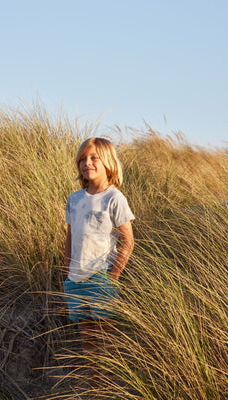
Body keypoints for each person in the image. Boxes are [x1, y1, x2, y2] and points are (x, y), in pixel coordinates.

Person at [63, 137, 135, 390]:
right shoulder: (74, 198)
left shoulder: (114, 198)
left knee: (105, 336)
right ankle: (94, 385)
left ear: (108, 162)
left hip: (100, 277)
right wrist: (67, 268)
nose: (87, 163)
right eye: (82, 159)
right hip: (75, 279)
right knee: (87, 339)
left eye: (94, 158)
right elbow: (70, 236)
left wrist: (112, 276)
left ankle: (110, 385)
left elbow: (128, 242)